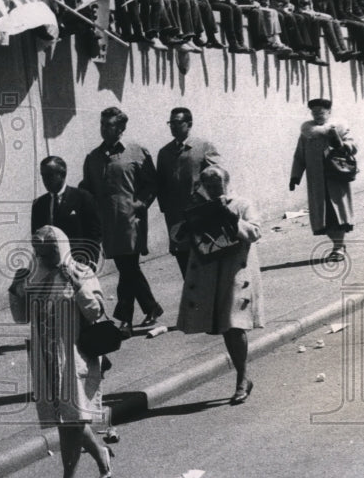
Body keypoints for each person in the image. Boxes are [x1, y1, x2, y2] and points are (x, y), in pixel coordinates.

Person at [8, 226, 113, 478]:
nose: (46, 257)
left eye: (51, 251)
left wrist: (77, 285)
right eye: (41, 252)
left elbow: (96, 312)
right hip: (45, 357)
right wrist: (16, 289)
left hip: (75, 355)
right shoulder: (35, 277)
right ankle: (100, 453)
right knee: (69, 418)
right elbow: (21, 317)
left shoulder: (80, 270)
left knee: (72, 420)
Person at [175, 167, 264, 404]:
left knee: (235, 325)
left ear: (226, 182)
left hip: (236, 270)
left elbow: (255, 232)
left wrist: (230, 218)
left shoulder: (242, 204)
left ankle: (242, 379)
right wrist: (185, 227)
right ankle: (243, 374)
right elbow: (178, 237)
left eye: (218, 185)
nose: (214, 189)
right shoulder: (200, 207)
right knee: (226, 325)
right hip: (211, 272)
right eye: (209, 185)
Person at [80, 107, 163, 337]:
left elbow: (151, 184)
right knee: (128, 268)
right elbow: (88, 188)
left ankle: (125, 319)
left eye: (110, 125)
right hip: (108, 224)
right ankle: (152, 307)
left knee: (127, 269)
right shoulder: (93, 158)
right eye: (102, 124)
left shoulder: (136, 152)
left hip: (131, 221)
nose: (105, 129)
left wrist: (142, 203)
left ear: (121, 128)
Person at [156, 108, 222, 277]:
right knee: (186, 266)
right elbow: (161, 185)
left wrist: (201, 197)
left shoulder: (203, 146)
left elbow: (216, 176)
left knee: (207, 261)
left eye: (178, 123)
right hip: (177, 218)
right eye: (171, 123)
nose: (173, 127)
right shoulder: (164, 153)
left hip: (200, 213)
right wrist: (167, 210)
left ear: (189, 124)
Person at [290, 98, 357, 261]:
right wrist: (295, 176)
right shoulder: (307, 132)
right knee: (323, 216)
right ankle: (337, 245)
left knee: (337, 214)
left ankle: (339, 247)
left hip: (336, 177)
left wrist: (340, 142)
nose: (318, 115)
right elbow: (299, 155)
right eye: (314, 112)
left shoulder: (339, 128)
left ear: (329, 112)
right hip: (316, 181)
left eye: (321, 112)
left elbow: (353, 146)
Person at [31, 156, 101, 268]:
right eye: (43, 176)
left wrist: (90, 262)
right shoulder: (38, 205)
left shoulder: (82, 198)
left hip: (78, 264)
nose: (45, 180)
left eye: (50, 176)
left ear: (62, 175)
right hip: (50, 266)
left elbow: (94, 233)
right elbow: (36, 237)